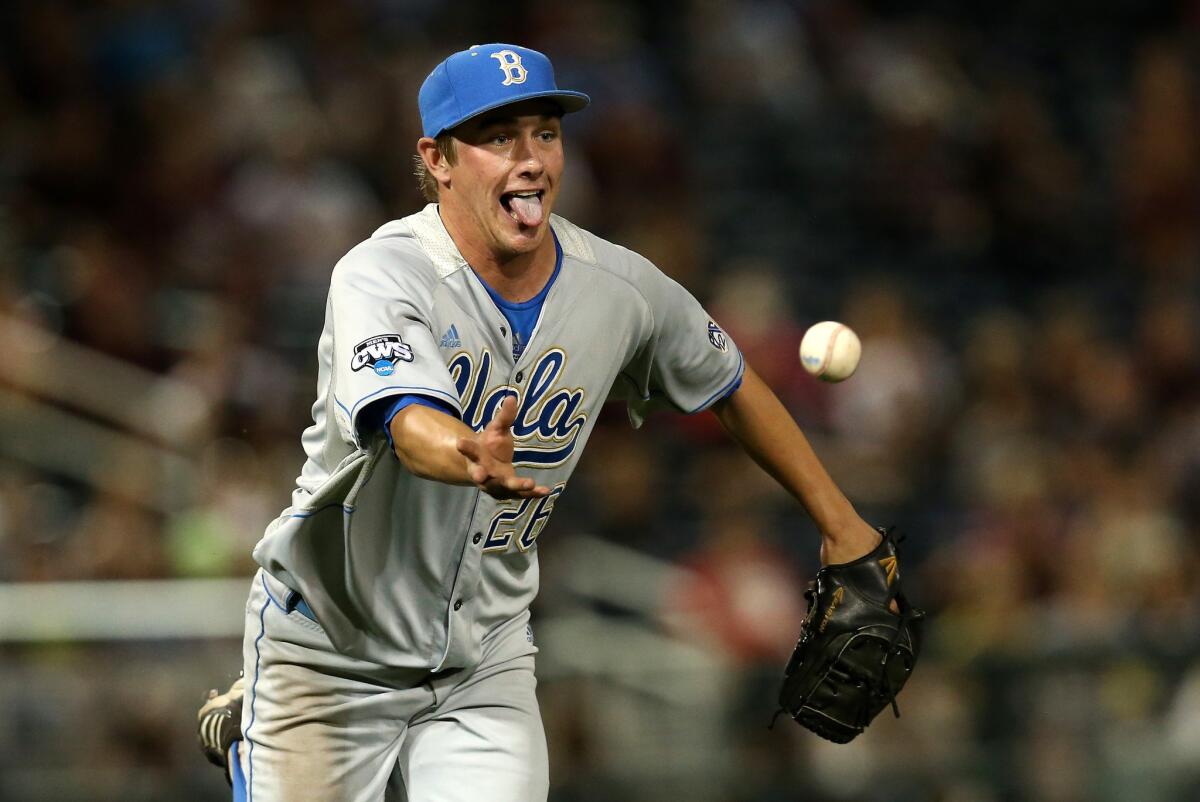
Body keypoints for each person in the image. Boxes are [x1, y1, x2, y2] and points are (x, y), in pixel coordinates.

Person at [201, 42, 887, 802]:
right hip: (330, 647)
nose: (530, 159)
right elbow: (402, 418)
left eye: (546, 133)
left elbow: (728, 381)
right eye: (498, 138)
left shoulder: (618, 287)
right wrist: (467, 452)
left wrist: (842, 523)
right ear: (438, 159)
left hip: (482, 660)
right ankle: (258, 724)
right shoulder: (382, 272)